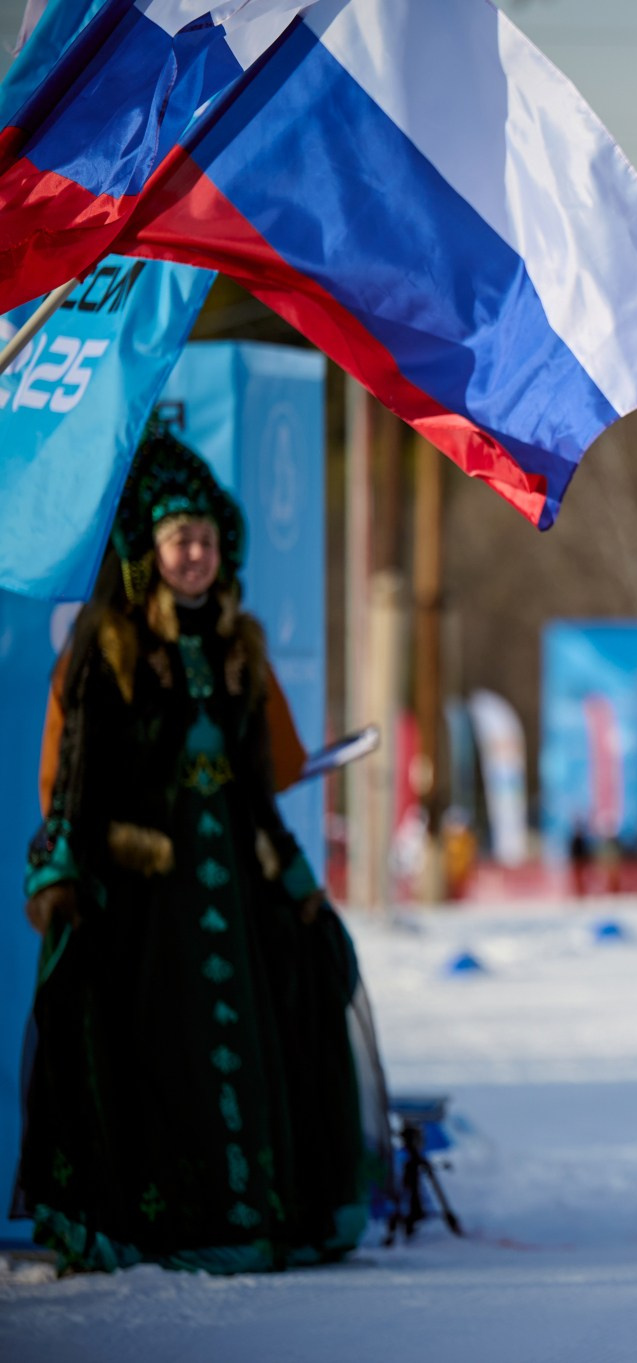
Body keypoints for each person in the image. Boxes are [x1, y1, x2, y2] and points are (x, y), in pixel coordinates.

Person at [15, 427, 387, 1274]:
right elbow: (77, 779)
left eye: (209, 541)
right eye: (182, 539)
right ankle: (167, 1222)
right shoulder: (106, 650)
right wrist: (66, 872)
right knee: (161, 1061)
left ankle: (253, 1218)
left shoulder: (236, 649)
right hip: (151, 908)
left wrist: (294, 883)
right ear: (150, 548)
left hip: (236, 902)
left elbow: (255, 785)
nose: (196, 555)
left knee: (270, 1033)